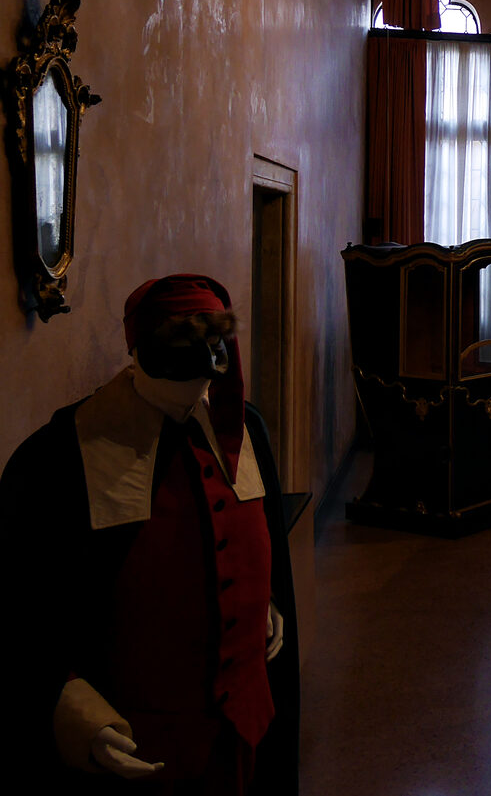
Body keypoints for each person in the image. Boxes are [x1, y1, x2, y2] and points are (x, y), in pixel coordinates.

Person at [0, 275, 298, 795]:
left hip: (244, 730)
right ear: (138, 349)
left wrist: (264, 603)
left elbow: (258, 542)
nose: (203, 362)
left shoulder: (248, 431)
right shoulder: (56, 457)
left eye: (214, 343)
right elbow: (17, 606)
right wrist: (65, 702)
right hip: (135, 742)